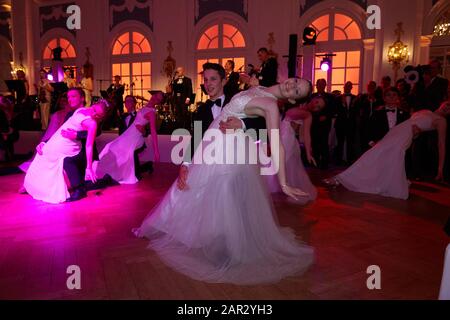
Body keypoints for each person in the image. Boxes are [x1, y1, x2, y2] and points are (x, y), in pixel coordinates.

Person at [134, 78, 314, 285]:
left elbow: (276, 142)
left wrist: (283, 183)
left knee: (219, 192)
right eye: (296, 82)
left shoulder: (271, 105)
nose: (293, 86)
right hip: (213, 136)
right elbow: (249, 112)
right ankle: (176, 228)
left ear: (292, 99)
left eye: (297, 91)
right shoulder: (259, 87)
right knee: (195, 186)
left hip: (227, 146)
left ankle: (225, 250)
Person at [324, 102, 450, 200]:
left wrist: (440, 168)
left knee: (381, 155)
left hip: (405, 135)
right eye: (448, 104)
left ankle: (342, 178)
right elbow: (415, 124)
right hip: (398, 130)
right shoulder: (426, 110)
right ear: (442, 102)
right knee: (375, 154)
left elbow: (441, 144)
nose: (447, 107)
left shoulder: (441, 121)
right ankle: (347, 178)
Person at [23, 100, 108, 204]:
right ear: (93, 105)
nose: (94, 114)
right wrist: (46, 142)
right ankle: (34, 185)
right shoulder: (80, 110)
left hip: (71, 146)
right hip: (60, 139)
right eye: (94, 110)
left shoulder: (93, 123)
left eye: (98, 115)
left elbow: (89, 145)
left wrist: (89, 167)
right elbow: (62, 128)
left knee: (59, 160)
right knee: (43, 153)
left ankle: (76, 189)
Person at [94, 93, 162, 184]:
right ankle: (97, 170)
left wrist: (156, 150)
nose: (154, 98)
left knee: (129, 157)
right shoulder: (126, 115)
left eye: (158, 99)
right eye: (155, 96)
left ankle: (113, 174)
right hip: (127, 136)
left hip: (136, 138)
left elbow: (153, 132)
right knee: (109, 146)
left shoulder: (151, 113)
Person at [265, 97, 321, 204]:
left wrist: (309, 153)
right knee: (279, 161)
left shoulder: (307, 115)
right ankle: (278, 185)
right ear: (312, 98)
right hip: (281, 133)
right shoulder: (296, 105)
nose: (316, 106)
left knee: (283, 162)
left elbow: (306, 135)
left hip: (288, 138)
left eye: (319, 107)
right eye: (317, 102)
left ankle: (280, 186)